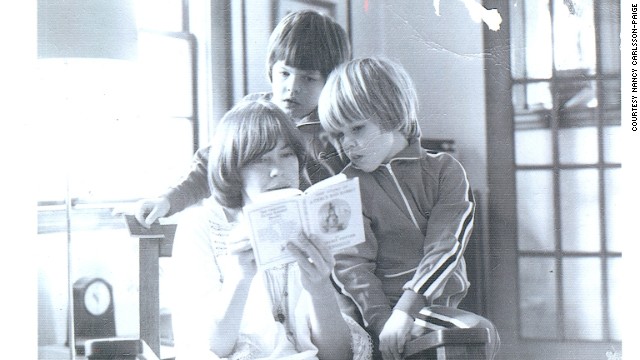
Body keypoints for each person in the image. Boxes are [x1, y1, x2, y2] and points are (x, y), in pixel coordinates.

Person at [317, 57, 500, 360]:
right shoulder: (346, 187)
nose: (346, 144)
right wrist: (384, 323)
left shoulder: (445, 171)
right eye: (338, 135)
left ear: (391, 115)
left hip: (426, 307)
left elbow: (445, 247)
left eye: (357, 129)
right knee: (475, 335)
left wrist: (407, 309)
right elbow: (353, 268)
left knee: (474, 335)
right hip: (377, 315)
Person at [171, 99, 371, 360]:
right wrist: (239, 279)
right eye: (261, 159)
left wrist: (319, 286)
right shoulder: (200, 227)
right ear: (233, 169)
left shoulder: (308, 221)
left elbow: (337, 356)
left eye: (287, 154)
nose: (277, 170)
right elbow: (206, 350)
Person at [135, 10, 351, 228]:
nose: (292, 88)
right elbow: (211, 165)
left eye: (308, 78)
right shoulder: (252, 116)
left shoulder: (339, 127)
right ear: (270, 69)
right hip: (255, 233)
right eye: (284, 73)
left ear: (331, 82)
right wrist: (168, 200)